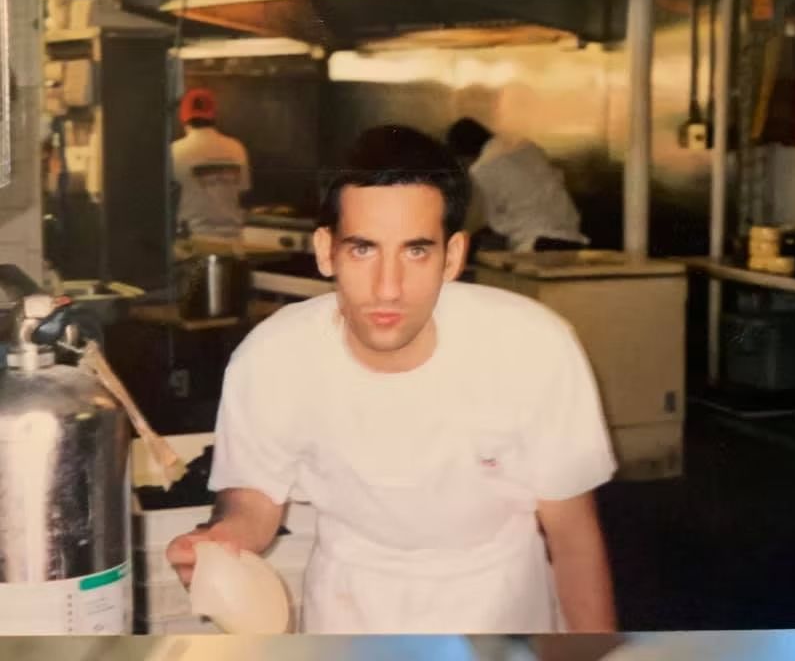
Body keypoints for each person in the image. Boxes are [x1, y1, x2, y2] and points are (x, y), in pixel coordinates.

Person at [167, 124, 617, 634]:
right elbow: (255, 496)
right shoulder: (272, 358)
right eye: (363, 249)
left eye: (415, 251)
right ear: (324, 251)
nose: (388, 287)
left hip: (501, 606)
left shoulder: (533, 346)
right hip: (349, 609)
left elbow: (572, 533)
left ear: (452, 257)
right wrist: (225, 537)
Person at [446, 118, 588, 254]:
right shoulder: (527, 147)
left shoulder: (482, 168)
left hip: (537, 245)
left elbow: (468, 225)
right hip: (574, 241)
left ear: (463, 155)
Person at [171, 87, 250, 241]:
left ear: (183, 118)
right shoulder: (236, 148)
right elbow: (242, 192)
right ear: (213, 115)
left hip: (195, 241)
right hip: (233, 241)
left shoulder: (174, 151)